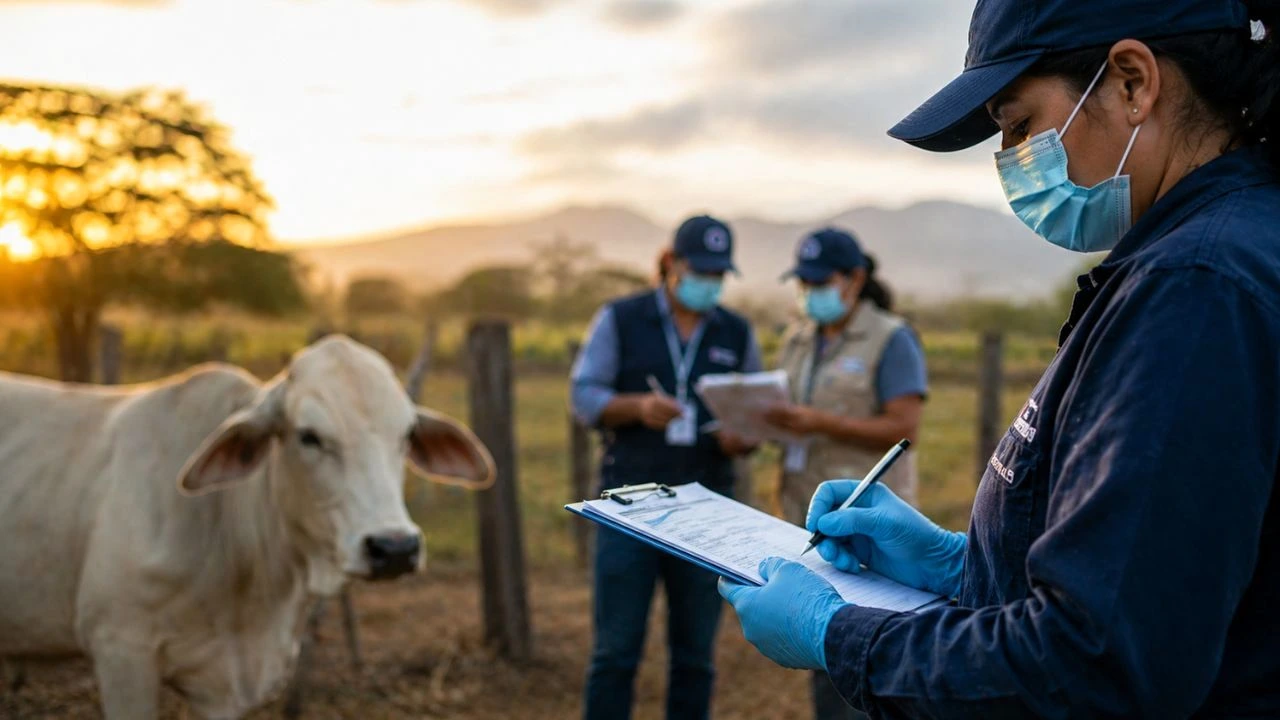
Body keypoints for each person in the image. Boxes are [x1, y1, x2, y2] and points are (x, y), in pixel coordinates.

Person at [718, 0, 1280, 717]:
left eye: (1019, 125)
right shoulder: (1211, 252)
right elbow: (1160, 574)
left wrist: (839, 634)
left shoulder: (1197, 289)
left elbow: (1091, 668)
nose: (1011, 161)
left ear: (1134, 82)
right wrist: (965, 566)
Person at [572, 214, 762, 720]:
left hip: (709, 514)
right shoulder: (620, 317)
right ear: (670, 264)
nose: (709, 284)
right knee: (614, 652)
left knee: (696, 657)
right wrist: (634, 408)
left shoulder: (736, 332)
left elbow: (754, 417)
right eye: (700, 271)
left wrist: (741, 439)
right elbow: (585, 395)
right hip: (628, 507)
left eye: (718, 275)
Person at [763, 227, 927, 720]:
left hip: (865, 530)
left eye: (820, 281)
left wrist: (819, 422)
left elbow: (904, 427)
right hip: (804, 518)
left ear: (855, 280)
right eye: (804, 283)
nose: (810, 293)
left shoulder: (891, 338)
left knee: (862, 656)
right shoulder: (797, 336)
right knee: (820, 651)